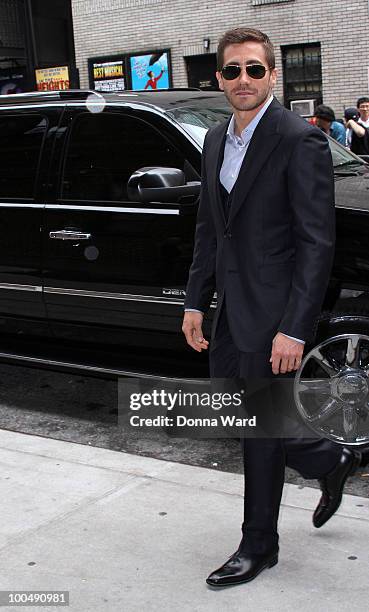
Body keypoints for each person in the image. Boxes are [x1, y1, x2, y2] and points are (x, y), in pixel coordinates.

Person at [182, 27, 361, 588]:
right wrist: (195, 302)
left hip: (276, 314)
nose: (243, 80)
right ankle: (329, 460)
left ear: (271, 75)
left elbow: (317, 243)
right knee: (244, 416)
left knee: (258, 430)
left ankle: (258, 544)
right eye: (232, 70)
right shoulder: (214, 140)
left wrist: (294, 328)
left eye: (254, 69)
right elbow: (210, 229)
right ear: (218, 79)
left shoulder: (296, 138)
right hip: (230, 311)